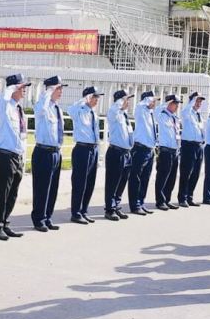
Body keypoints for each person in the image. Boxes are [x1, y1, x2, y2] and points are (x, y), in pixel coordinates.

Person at [0, 73, 31, 240]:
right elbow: (3, 98)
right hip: (5, 157)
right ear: (12, 88)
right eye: (21, 87)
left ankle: (6, 223)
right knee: (2, 193)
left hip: (18, 156)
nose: (24, 91)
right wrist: (11, 87)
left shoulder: (18, 109)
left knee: (13, 193)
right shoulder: (5, 105)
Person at [30, 76, 67, 232]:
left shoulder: (56, 107)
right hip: (43, 152)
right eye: (58, 89)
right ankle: (39, 219)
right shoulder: (42, 105)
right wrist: (47, 92)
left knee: (53, 188)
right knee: (42, 188)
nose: (61, 92)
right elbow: (40, 111)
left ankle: (47, 216)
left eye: (61, 89)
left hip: (55, 152)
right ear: (50, 89)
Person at [66, 86, 104, 225]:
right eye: (95, 97)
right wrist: (82, 100)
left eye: (98, 97)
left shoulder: (93, 112)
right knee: (79, 183)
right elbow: (69, 110)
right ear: (88, 97)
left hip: (93, 149)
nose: (97, 100)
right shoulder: (79, 111)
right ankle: (75, 213)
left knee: (90, 183)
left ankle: (84, 210)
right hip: (82, 150)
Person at [104, 90, 134, 221]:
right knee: (113, 182)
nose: (128, 102)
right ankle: (109, 209)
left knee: (122, 182)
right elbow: (112, 113)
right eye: (126, 99)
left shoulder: (124, 115)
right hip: (116, 152)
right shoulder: (114, 112)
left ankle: (116, 206)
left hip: (126, 153)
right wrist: (120, 103)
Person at [129, 91, 158, 215]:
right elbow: (141, 104)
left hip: (149, 149)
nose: (155, 103)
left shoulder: (150, 113)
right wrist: (147, 99)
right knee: (136, 178)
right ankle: (134, 205)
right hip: (140, 149)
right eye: (153, 100)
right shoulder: (140, 110)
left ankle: (141, 202)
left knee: (145, 178)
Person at [178, 92, 205, 207]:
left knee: (195, 173)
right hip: (188, 145)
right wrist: (191, 102)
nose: (199, 103)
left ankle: (189, 197)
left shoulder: (198, 114)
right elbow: (184, 113)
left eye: (200, 101)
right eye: (197, 101)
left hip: (198, 145)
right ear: (192, 101)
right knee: (186, 172)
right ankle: (182, 198)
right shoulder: (187, 112)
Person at [155, 94, 181, 211]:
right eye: (174, 103)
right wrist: (165, 103)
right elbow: (156, 111)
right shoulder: (162, 115)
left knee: (172, 177)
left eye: (177, 104)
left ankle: (167, 199)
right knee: (162, 176)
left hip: (174, 150)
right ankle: (160, 201)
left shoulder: (175, 118)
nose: (177, 106)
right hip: (165, 150)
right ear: (169, 103)